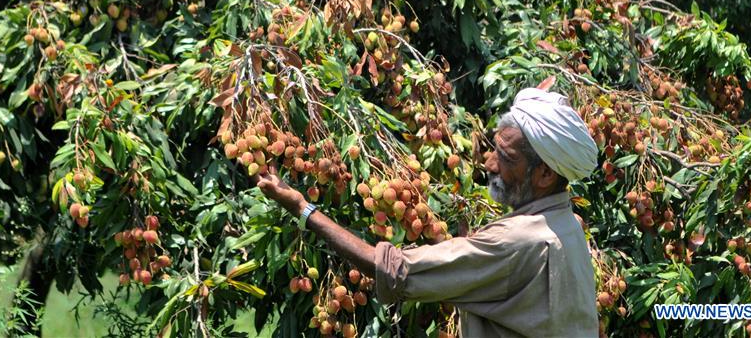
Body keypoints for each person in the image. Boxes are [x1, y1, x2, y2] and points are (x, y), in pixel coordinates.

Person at [256, 79, 600, 337]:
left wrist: (303, 208)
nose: (490, 164)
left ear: (544, 173)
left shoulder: (515, 242)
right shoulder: (567, 226)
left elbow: (397, 270)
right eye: (493, 149)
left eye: (506, 158)